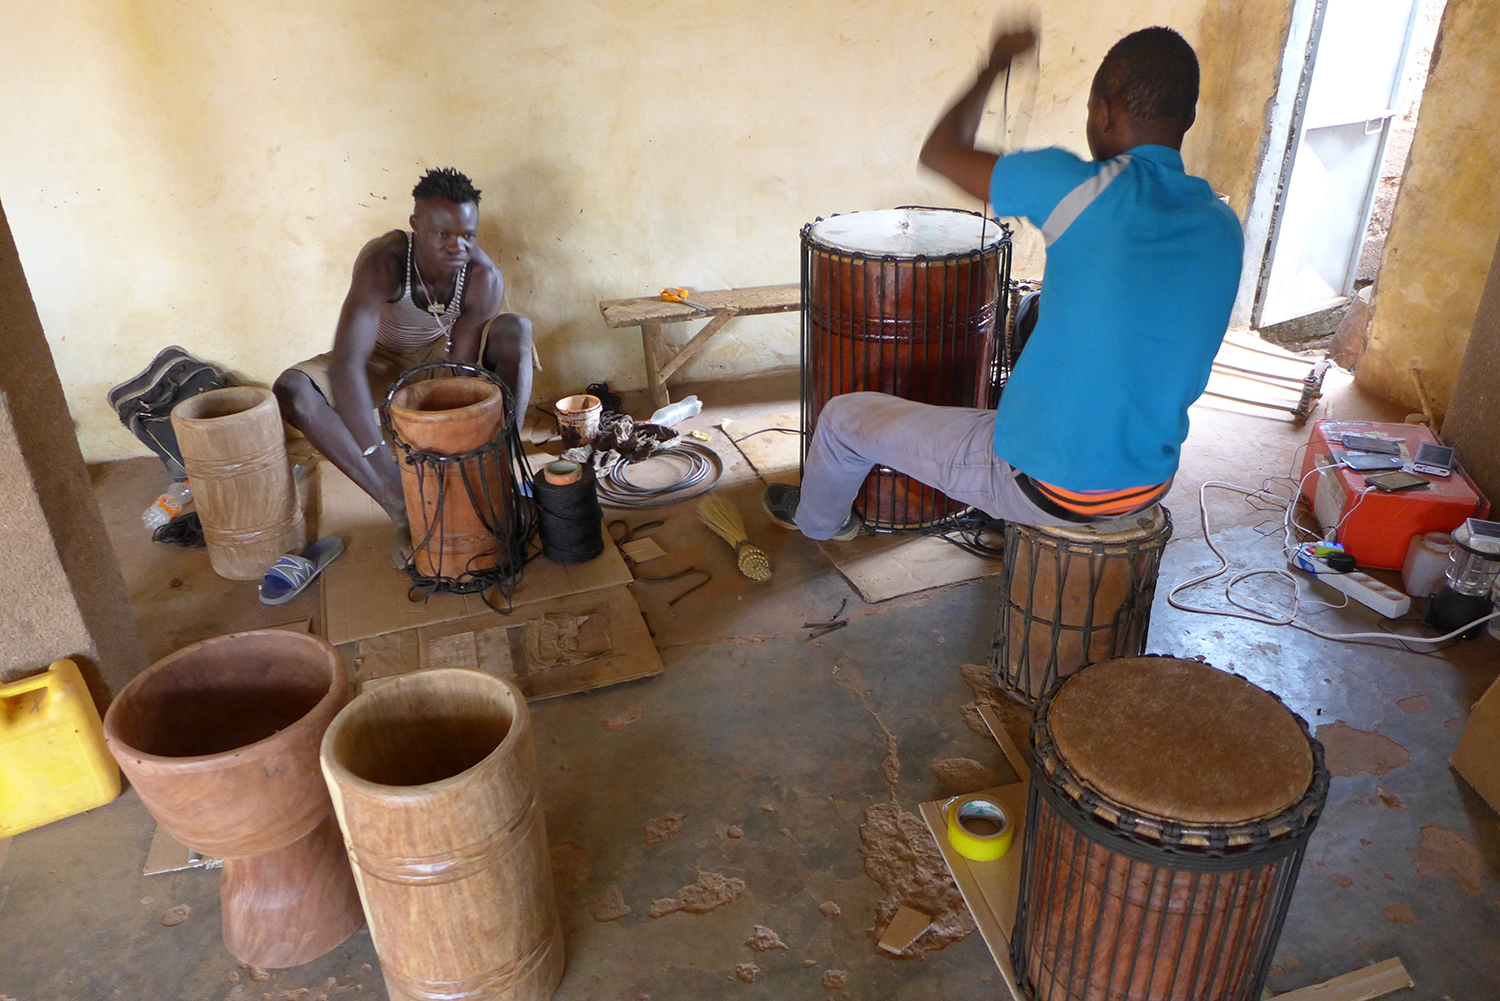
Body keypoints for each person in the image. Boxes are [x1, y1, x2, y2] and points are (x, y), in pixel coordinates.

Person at [763, 26, 1243, 540]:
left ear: (1102, 110)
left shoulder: (1081, 187)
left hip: (1045, 483)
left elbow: (942, 152)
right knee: (1034, 315)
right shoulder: (1223, 225)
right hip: (1149, 480)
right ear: (1188, 117)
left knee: (842, 418)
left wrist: (993, 63)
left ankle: (819, 523)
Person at [274, 167, 533, 564]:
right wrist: (381, 455)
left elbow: (459, 371)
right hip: (376, 358)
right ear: (415, 225)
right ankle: (398, 505)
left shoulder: (484, 279)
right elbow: (347, 365)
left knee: (515, 329)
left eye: (467, 235)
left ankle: (500, 475)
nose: (457, 246)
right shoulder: (385, 262)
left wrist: (456, 460)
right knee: (294, 391)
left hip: (436, 356)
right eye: (442, 234)